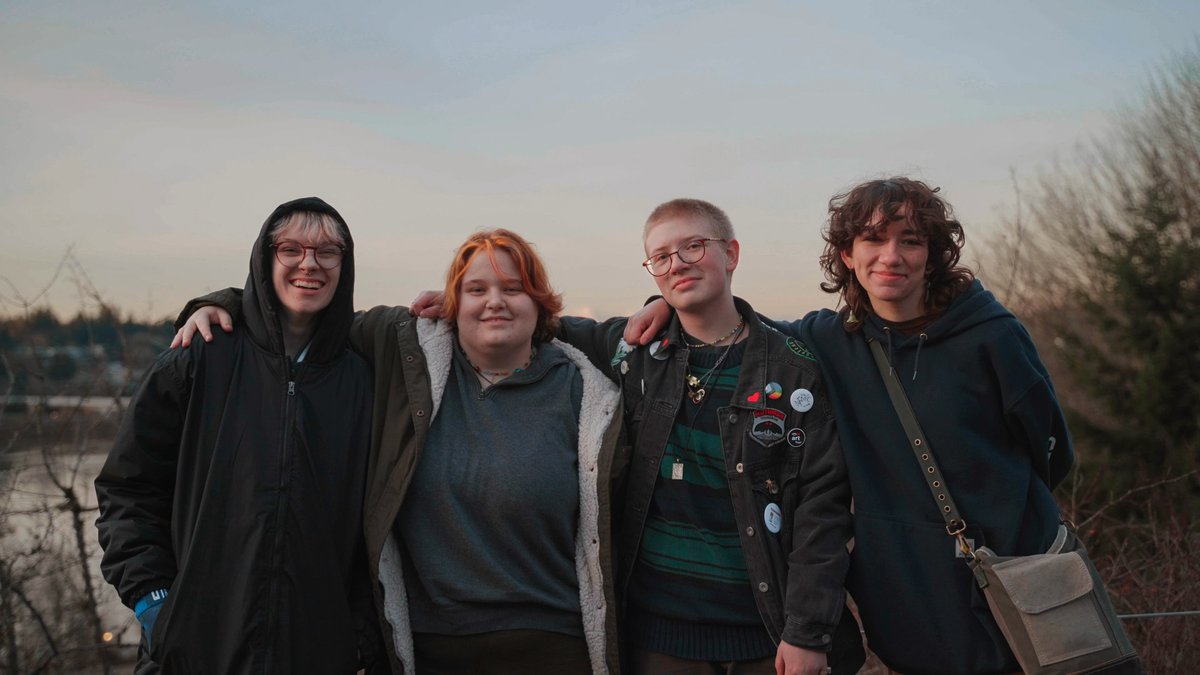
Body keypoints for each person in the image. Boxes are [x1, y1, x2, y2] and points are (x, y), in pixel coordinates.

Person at [627, 179, 1075, 674]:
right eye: (873, 241)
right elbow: (730, 327)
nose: (891, 256)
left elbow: (1052, 453)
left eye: (910, 240)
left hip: (1012, 573)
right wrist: (665, 301)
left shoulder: (992, 335)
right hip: (911, 588)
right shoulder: (826, 340)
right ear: (846, 254)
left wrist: (995, 514)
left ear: (933, 254)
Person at [173, 229, 625, 674]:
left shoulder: (586, 394)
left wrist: (659, 305)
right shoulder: (405, 353)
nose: (494, 301)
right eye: (476, 289)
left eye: (514, 289)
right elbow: (308, 313)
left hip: (552, 647)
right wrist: (221, 303)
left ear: (540, 302)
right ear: (452, 304)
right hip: (426, 649)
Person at [520, 199, 865, 675]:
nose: (677, 263)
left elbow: (821, 510)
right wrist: (451, 308)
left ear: (732, 254)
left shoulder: (793, 368)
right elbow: (533, 324)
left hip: (768, 635)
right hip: (660, 636)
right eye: (660, 256)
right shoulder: (636, 353)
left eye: (693, 247)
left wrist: (807, 632)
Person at [95, 197, 382, 674]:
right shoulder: (200, 355)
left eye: (328, 251)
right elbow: (127, 488)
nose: (309, 264)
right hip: (193, 653)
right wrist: (154, 603)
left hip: (315, 655)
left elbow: (376, 526)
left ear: (344, 265)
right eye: (291, 249)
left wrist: (357, 638)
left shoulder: (362, 382)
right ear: (265, 257)